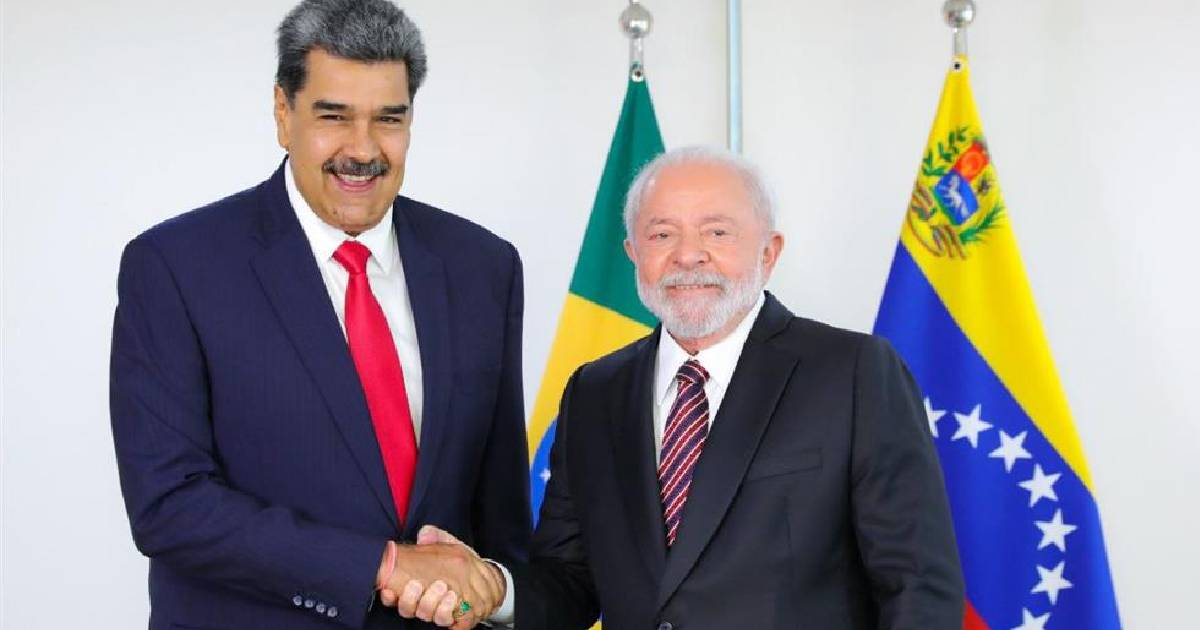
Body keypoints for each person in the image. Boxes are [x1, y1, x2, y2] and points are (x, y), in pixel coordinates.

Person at [109, 1, 529, 628]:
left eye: (388, 119)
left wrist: (495, 587)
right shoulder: (176, 266)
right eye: (334, 117)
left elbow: (501, 514)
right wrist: (384, 565)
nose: (362, 149)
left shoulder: (483, 267)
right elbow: (169, 505)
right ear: (284, 113)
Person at [427, 146, 965, 629]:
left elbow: (918, 587)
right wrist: (493, 588)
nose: (688, 255)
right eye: (662, 234)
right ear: (633, 252)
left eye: (717, 232)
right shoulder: (595, 392)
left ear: (769, 252)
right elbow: (570, 581)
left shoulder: (853, 373)